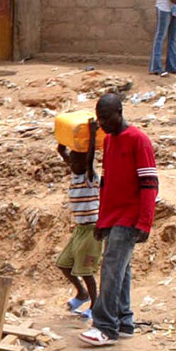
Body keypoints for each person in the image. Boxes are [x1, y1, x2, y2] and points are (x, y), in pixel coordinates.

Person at [79, 93, 157, 347]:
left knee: (112, 269)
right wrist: (102, 220)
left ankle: (105, 326)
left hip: (129, 216)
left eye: (105, 118)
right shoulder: (110, 141)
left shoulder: (138, 140)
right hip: (113, 216)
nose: (101, 124)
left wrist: (145, 221)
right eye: (99, 119)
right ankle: (124, 320)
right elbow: (107, 182)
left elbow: (149, 183)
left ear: (119, 113)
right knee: (122, 270)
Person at [55, 123, 101, 320]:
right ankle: (81, 293)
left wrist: (91, 135)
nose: (72, 165)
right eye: (71, 162)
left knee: (86, 270)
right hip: (80, 229)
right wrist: (62, 139)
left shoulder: (90, 177)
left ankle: (95, 304)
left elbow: (88, 158)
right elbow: (66, 154)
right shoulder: (76, 173)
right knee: (64, 264)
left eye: (76, 162)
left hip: (92, 230)